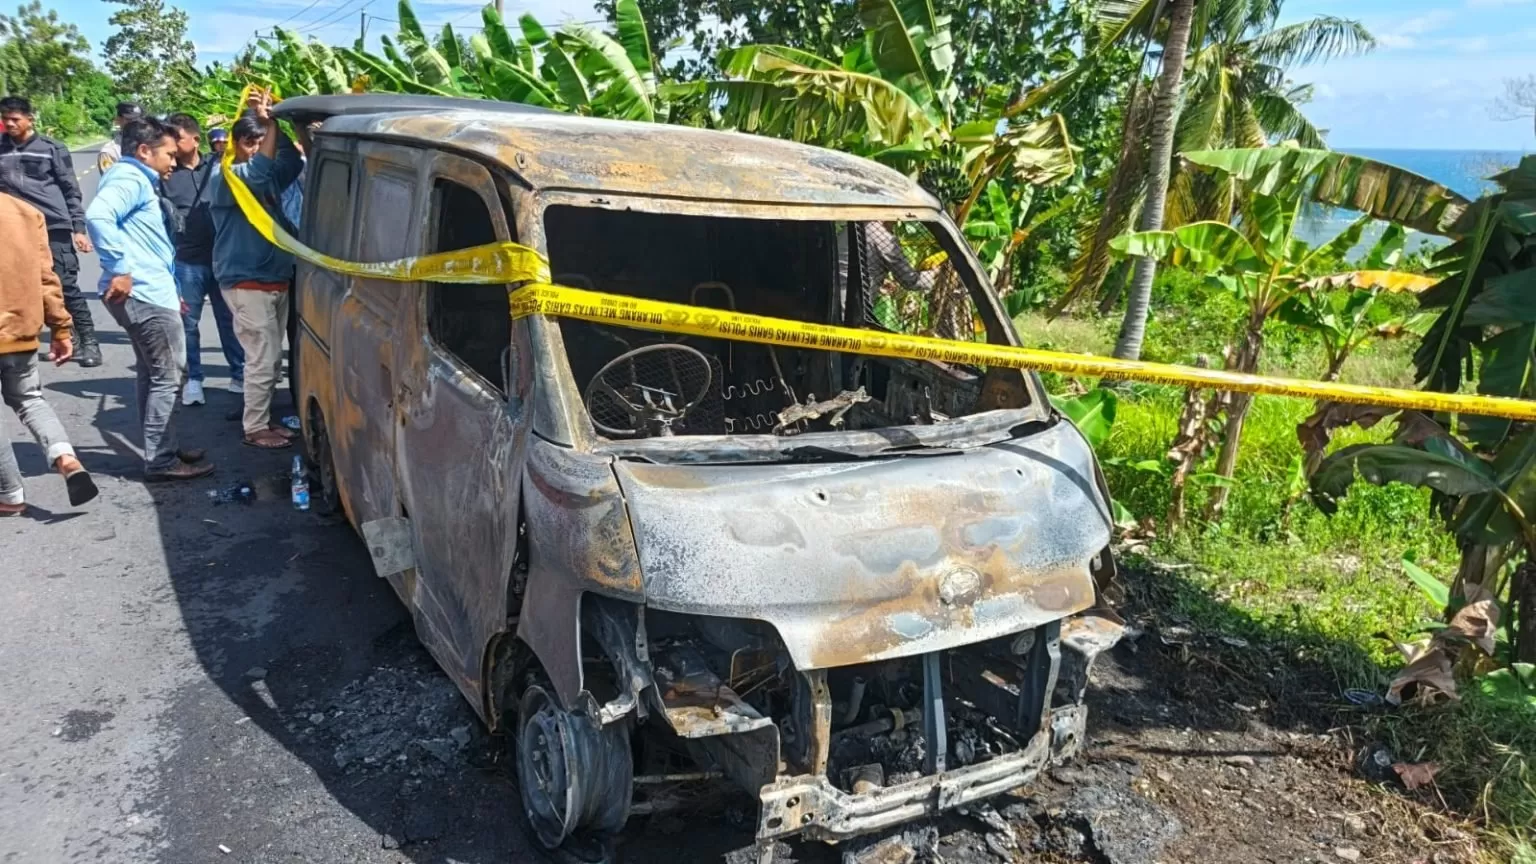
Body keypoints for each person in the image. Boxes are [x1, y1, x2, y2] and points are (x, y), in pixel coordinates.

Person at [86, 118, 215, 482]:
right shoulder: (130, 179)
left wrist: (171, 291)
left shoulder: (136, 178)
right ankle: (161, 460)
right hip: (143, 293)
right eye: (169, 154)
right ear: (144, 151)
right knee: (167, 377)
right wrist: (120, 269)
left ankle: (163, 448)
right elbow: (98, 216)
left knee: (152, 373)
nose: (174, 161)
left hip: (150, 290)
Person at [208, 90, 305, 450]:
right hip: (247, 281)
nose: (255, 149)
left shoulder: (266, 178)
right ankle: (255, 427)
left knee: (272, 359)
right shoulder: (229, 178)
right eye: (249, 142)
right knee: (262, 359)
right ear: (234, 144)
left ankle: (262, 419)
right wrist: (269, 124)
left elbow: (291, 163)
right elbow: (260, 170)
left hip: (274, 279)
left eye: (260, 142)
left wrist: (276, 127)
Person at [0, 189, 98, 514]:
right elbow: (47, 277)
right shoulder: (27, 213)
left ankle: (10, 495)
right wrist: (61, 328)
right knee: (30, 399)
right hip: (22, 330)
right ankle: (66, 459)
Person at [0, 95, 102, 368]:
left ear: (30, 119)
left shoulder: (51, 148)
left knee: (65, 286)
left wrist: (78, 228)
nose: (10, 124)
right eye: (5, 119)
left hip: (53, 226)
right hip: (15, 229)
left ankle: (89, 342)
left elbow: (71, 189)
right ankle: (66, 338)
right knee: (25, 288)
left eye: (15, 119)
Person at [163, 113, 244, 406]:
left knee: (230, 320)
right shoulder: (166, 174)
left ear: (195, 139)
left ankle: (240, 374)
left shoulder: (218, 166)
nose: (172, 145)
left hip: (223, 259)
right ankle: (193, 378)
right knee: (188, 324)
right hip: (187, 260)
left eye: (177, 138)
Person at [96, 101, 144, 174]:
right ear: (118, 120)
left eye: (138, 120)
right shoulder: (109, 152)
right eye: (129, 120)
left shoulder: (153, 144)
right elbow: (112, 178)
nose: (135, 123)